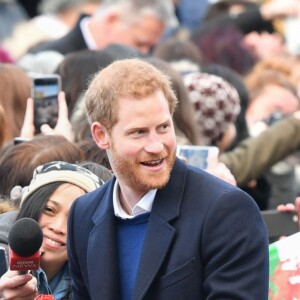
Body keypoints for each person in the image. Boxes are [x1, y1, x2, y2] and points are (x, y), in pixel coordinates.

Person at [67, 58, 269, 299]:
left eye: (163, 127)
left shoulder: (226, 211)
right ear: (101, 135)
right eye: (139, 132)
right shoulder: (83, 215)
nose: (156, 146)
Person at [0, 160, 103, 299]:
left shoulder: (94, 284)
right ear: (29, 205)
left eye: (74, 217)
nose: (58, 227)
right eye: (49, 210)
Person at [28, 0, 177, 56]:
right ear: (111, 21)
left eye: (150, 47)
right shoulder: (50, 59)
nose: (144, 53)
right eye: (140, 43)